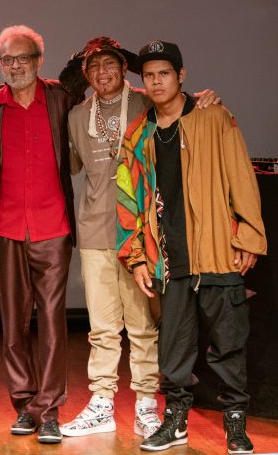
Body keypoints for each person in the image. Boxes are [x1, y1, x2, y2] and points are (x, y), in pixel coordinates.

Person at [61, 37, 222, 439]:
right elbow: (78, 165)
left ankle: (147, 405)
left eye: (110, 64)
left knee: (143, 326)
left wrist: (207, 100)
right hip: (95, 230)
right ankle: (101, 404)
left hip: (141, 231)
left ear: (123, 67)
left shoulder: (145, 103)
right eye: (93, 67)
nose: (102, 73)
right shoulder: (78, 116)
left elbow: (180, 108)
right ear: (86, 74)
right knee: (101, 328)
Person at [117, 41, 266, 454]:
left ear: (181, 76)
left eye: (164, 73)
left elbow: (241, 176)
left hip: (217, 251)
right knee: (174, 348)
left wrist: (249, 236)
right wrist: (136, 257)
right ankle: (176, 420)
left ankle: (235, 422)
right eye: (148, 76)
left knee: (229, 343)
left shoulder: (213, 116)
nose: (156, 81)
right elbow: (128, 198)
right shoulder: (138, 133)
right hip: (168, 258)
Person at [0, 25, 78, 444]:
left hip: (53, 226)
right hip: (6, 226)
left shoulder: (60, 97)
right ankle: (24, 403)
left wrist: (196, 100)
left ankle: (48, 409)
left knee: (52, 322)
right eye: (7, 60)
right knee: (13, 323)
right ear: (0, 64)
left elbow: (111, 89)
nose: (15, 66)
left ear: (39, 61)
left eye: (23, 58)